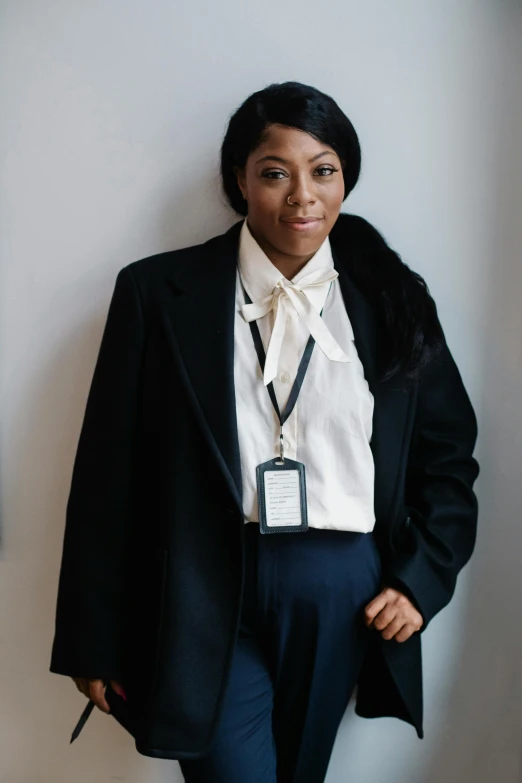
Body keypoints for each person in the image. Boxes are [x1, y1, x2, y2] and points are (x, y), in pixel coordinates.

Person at [49, 81, 479, 782]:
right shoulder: (158, 294)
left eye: (324, 170)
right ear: (239, 181)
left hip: (345, 589)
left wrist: (421, 578)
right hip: (201, 583)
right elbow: (107, 476)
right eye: (276, 172)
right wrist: (93, 637)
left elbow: (447, 457)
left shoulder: (392, 298)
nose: (302, 196)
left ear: (347, 177)